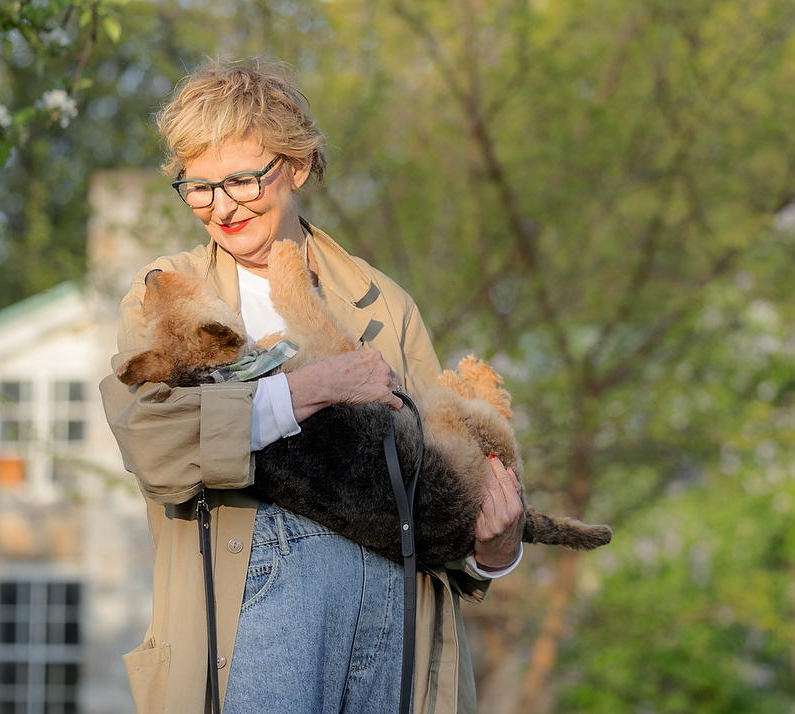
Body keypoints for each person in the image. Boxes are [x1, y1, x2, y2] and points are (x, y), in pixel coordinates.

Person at [99, 60, 525, 714]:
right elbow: (152, 442)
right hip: (254, 602)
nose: (221, 206)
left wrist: (494, 549)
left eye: (241, 179)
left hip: (395, 613)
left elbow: (437, 482)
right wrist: (307, 391)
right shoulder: (168, 292)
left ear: (297, 165)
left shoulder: (386, 304)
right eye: (198, 187)